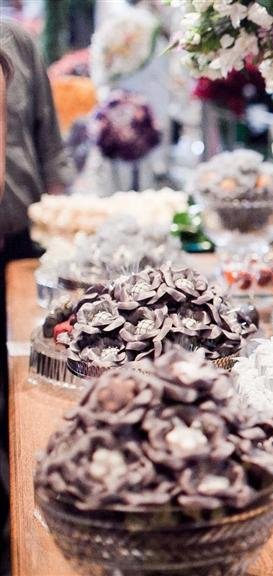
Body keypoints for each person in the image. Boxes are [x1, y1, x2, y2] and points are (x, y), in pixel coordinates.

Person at [1, 18, 73, 576]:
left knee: (21, 381)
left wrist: (68, 220)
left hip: (21, 238)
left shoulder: (15, 40)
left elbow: (48, 138)